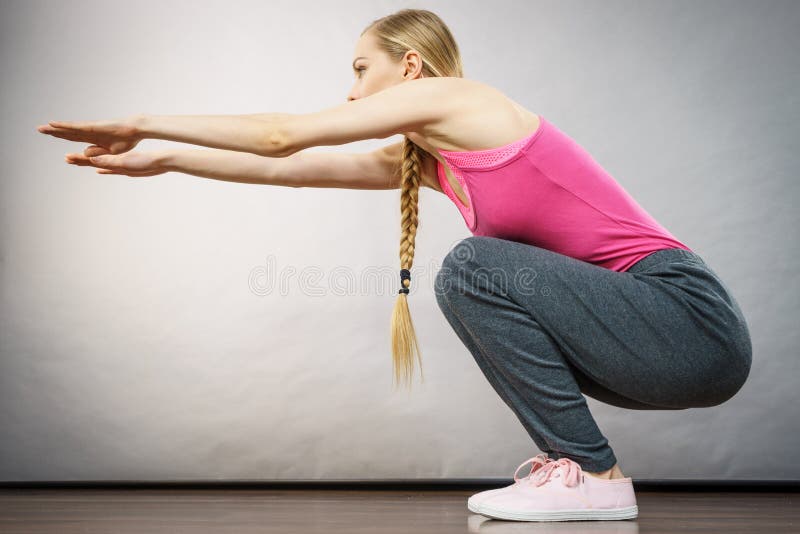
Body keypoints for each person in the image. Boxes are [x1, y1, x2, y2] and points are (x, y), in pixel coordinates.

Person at [36, 8, 752, 523]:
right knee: (469, 274)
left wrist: (147, 120)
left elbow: (284, 135)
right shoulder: (437, 161)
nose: (350, 92)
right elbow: (296, 170)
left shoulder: (460, 99)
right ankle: (586, 472)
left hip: (688, 321)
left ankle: (594, 477)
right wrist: (165, 159)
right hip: (655, 345)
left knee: (474, 266)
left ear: (409, 67)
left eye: (359, 70)